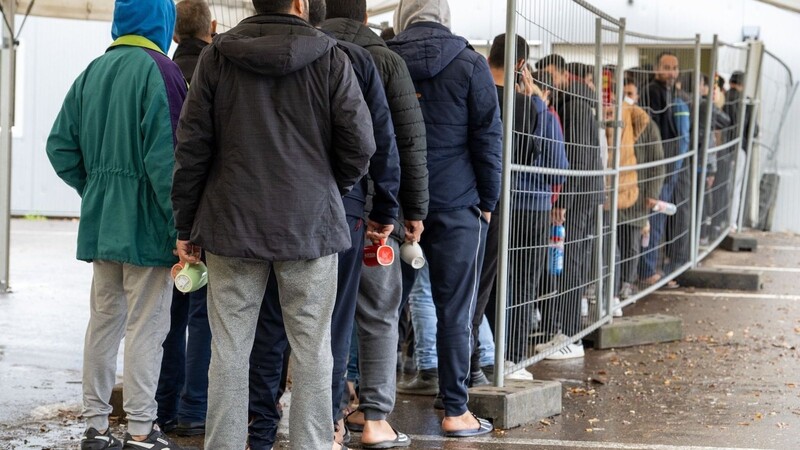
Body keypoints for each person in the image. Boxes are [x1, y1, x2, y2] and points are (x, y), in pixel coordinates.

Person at [171, 0, 376, 448]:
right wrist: (326, 187)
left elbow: (191, 148)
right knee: (312, 348)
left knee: (228, 348)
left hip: (231, 222)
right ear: (300, 4)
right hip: (309, 225)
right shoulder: (330, 57)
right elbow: (361, 144)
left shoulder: (217, 57)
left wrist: (185, 225)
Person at [247, 3, 402, 448]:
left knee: (269, 323)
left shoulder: (250, 49)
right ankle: (328, 426)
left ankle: (260, 425)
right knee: (330, 324)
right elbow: (380, 141)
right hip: (340, 210)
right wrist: (379, 207)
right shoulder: (351, 59)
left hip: (261, 206)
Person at [46, 1, 187, 449]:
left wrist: (95, 191)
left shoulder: (91, 72)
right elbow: (168, 162)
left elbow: (60, 147)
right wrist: (181, 227)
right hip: (148, 226)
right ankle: (143, 429)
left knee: (104, 322)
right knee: (147, 326)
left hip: (102, 224)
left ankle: (96, 425)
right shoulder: (161, 71)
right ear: (162, 22)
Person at [387, 0, 502, 437]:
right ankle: (456, 410)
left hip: (395, 206)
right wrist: (486, 203)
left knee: (383, 309)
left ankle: (370, 410)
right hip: (459, 205)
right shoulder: (471, 65)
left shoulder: (386, 59)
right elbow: (488, 141)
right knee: (456, 311)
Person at [320, 1, 430, 447]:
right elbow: (406, 139)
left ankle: (327, 416)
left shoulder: (313, 47)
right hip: (374, 210)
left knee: (320, 317)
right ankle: (375, 417)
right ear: (365, 16)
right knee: (380, 312)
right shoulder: (385, 60)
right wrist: (413, 210)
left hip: (318, 208)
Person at [155, 0, 215, 437]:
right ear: (212, 27)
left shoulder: (163, 74)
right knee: (204, 316)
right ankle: (195, 408)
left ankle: (163, 405)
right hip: (211, 216)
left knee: (168, 317)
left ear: (174, 33)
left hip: (169, 215)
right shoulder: (220, 72)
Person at [534, 53, 603, 359]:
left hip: (576, 196)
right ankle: (564, 331)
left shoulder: (573, 105)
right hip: (588, 193)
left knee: (568, 262)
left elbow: (575, 158)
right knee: (569, 261)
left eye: (550, 75)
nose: (546, 82)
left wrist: (561, 200)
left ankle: (568, 335)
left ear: (564, 74)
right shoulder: (582, 101)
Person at [638, 51, 691, 286]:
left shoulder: (668, 93)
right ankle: (646, 271)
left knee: (657, 222)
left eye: (674, 67)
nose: (671, 71)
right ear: (657, 68)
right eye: (667, 67)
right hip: (658, 169)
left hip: (666, 167)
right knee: (653, 222)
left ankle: (648, 270)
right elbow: (658, 134)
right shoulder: (653, 92)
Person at [617, 80, 665, 300]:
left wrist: (652, 193)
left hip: (638, 192)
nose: (627, 97)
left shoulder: (646, 125)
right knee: (613, 243)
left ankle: (627, 282)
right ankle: (613, 285)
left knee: (631, 243)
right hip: (616, 194)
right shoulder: (614, 120)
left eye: (630, 93)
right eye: (623, 93)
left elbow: (657, 161)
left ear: (637, 97)